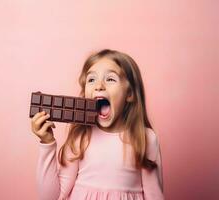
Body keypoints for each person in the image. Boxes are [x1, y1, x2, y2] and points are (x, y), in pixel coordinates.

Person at [30, 49, 164, 200]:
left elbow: (155, 195)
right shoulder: (79, 138)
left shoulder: (146, 139)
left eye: (110, 79)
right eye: (91, 80)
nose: (99, 86)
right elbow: (51, 198)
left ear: (130, 94)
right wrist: (47, 143)